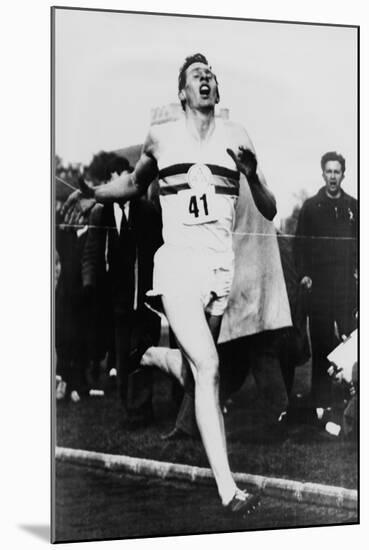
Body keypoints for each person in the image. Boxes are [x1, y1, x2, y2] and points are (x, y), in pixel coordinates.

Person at [62, 53, 277, 514]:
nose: (206, 79)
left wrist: (253, 174)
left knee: (201, 374)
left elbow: (270, 206)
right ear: (182, 92)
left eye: (211, 75)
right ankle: (229, 492)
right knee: (212, 368)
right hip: (178, 265)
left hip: (222, 267)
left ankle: (160, 355)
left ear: (217, 91)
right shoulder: (162, 138)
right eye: (196, 76)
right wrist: (96, 192)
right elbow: (136, 185)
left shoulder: (237, 137)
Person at [82, 153, 162, 427]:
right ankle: (131, 408)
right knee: (122, 354)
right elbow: (92, 253)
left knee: (144, 351)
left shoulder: (148, 211)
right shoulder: (100, 213)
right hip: (116, 299)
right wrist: (89, 285)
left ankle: (142, 408)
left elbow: (157, 251)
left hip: (145, 296)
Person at [294, 151, 357, 409]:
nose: (333, 176)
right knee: (321, 347)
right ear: (323, 174)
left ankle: (351, 399)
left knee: (350, 341)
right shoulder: (311, 206)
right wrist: (304, 274)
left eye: (337, 171)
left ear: (344, 174)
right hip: (319, 287)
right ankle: (319, 405)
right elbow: (300, 246)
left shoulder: (354, 206)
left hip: (345, 288)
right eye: (328, 171)